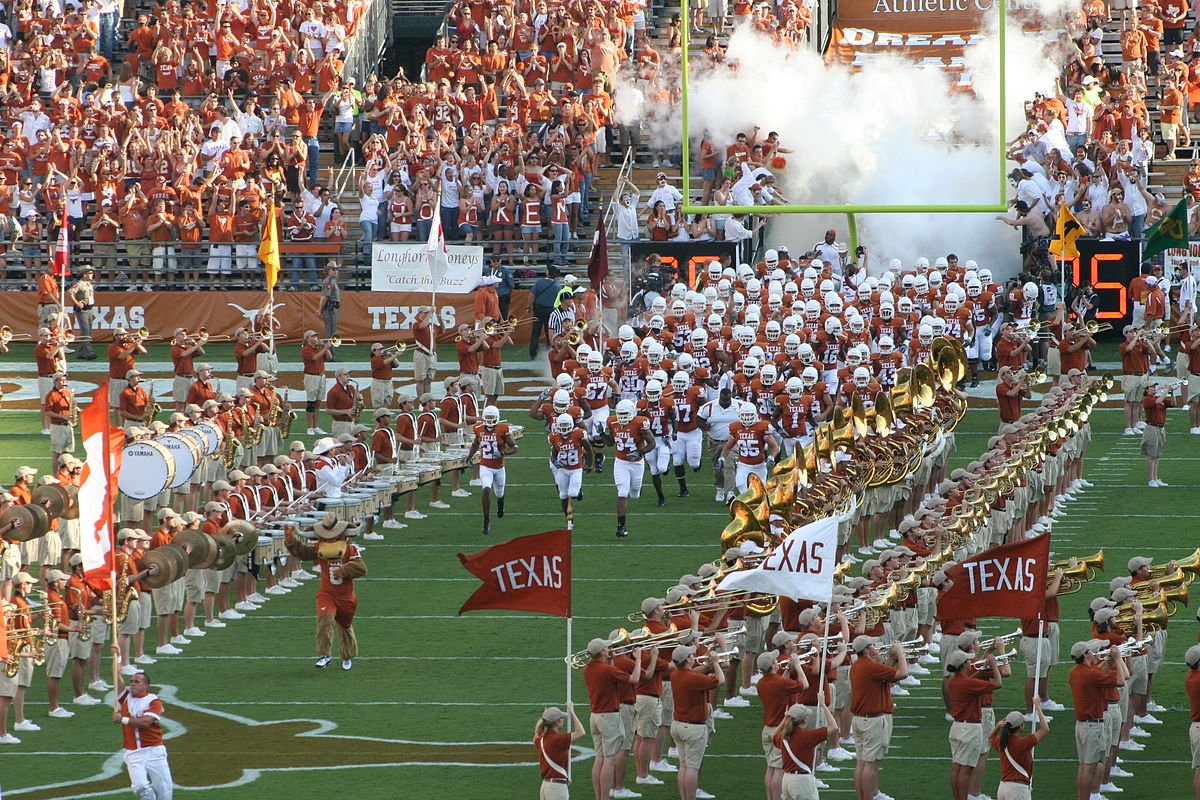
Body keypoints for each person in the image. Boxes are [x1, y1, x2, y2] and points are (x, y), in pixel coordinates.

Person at [284, 513, 367, 670]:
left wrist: (344, 569)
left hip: (346, 596)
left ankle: (347, 655)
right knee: (325, 620)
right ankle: (325, 655)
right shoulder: (320, 548)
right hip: (326, 593)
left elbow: (362, 568)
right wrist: (291, 542)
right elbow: (304, 553)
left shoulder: (350, 549)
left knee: (345, 625)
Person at [583, 637, 644, 800]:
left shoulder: (588, 669)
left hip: (595, 716)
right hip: (609, 717)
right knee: (609, 761)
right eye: (606, 648)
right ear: (602, 651)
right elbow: (634, 679)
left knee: (599, 759)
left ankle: (599, 797)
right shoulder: (606, 670)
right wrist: (638, 659)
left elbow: (608, 680)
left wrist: (609, 662)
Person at [849, 635, 908, 800]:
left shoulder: (858, 665)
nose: (876, 647)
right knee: (870, 763)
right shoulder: (870, 667)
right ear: (867, 650)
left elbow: (883, 679)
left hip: (861, 719)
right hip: (873, 721)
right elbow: (903, 673)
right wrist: (900, 652)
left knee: (862, 762)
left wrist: (890, 658)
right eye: (873, 645)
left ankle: (869, 794)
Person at [1068, 639, 1128, 800]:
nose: (1094, 653)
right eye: (1090, 652)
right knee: (1090, 768)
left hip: (1082, 726)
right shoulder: (1091, 674)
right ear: (1086, 655)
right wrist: (1117, 659)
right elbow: (1122, 681)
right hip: (1093, 727)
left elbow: (1097, 674)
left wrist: (1107, 662)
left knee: (1083, 767)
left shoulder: (1075, 671)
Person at [669, 644, 724, 800]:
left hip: (678, 725)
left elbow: (691, 673)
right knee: (692, 768)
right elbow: (720, 680)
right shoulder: (693, 678)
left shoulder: (675, 674)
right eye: (691, 656)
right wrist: (715, 662)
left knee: (684, 766)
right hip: (693, 728)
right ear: (687, 660)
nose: (693, 657)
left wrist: (706, 665)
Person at [113, 668, 174, 800]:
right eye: (131, 681)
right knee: (140, 788)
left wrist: (122, 719)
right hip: (134, 753)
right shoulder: (125, 697)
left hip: (154, 751)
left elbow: (146, 722)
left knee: (165, 792)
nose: (132, 684)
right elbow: (116, 677)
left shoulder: (154, 702)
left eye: (137, 682)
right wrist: (116, 658)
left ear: (146, 686)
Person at [602, 399, 656, 538]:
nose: (622, 417)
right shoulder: (612, 422)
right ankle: (621, 526)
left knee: (635, 494)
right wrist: (601, 434)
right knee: (622, 492)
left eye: (625, 413)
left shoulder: (639, 423)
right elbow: (610, 443)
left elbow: (652, 443)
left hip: (637, 462)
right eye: (620, 413)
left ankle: (636, 489)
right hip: (621, 462)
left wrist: (640, 452)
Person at [468, 405, 518, 534]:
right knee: (486, 490)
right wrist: (469, 457)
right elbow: (475, 444)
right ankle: (486, 520)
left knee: (499, 493)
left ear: (497, 418)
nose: (490, 421)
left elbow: (514, 447)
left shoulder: (503, 429)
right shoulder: (478, 429)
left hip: (499, 467)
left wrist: (503, 453)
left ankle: (500, 504)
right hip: (485, 466)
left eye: (492, 418)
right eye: (488, 418)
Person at [775, 700, 839, 800]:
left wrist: (785, 719)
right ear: (804, 720)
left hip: (786, 780)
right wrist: (823, 706)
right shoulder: (807, 736)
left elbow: (773, 736)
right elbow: (834, 727)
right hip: (802, 782)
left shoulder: (784, 737)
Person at [989, 707, 1049, 800]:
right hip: (1017, 790)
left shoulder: (1001, 742)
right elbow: (1045, 729)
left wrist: (997, 726)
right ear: (1020, 726)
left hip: (1002, 788)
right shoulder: (1022, 743)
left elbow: (990, 738)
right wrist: (1038, 707)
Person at [535, 704, 586, 800]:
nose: (563, 720)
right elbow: (581, 732)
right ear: (557, 721)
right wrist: (572, 711)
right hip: (556, 788)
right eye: (561, 718)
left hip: (545, 787)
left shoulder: (541, 740)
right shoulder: (558, 739)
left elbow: (536, 737)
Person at [698, 386, 739, 503]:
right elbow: (698, 419)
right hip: (715, 441)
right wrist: (705, 427)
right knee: (718, 467)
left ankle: (729, 493)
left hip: (732, 441)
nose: (725, 403)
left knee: (729, 464)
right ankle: (720, 488)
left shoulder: (739, 406)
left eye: (727, 401)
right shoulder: (709, 407)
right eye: (723, 401)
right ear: (719, 398)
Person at [301, 330, 334, 435]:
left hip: (321, 376)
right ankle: (309, 427)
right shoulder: (306, 350)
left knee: (318, 403)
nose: (315, 338)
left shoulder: (318, 348)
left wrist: (326, 347)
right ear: (307, 339)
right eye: (313, 336)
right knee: (311, 403)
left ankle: (316, 426)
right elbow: (314, 358)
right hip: (311, 377)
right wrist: (324, 348)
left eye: (316, 336)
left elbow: (329, 358)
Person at [1141, 382, 1174, 486]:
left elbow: (1173, 403)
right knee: (1151, 455)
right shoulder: (1147, 400)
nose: (1155, 388)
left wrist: (1172, 392)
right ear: (1147, 389)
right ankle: (1151, 479)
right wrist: (1166, 390)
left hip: (1160, 428)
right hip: (1151, 428)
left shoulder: (1159, 398)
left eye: (1155, 386)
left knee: (1157, 455)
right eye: (1152, 387)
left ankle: (1155, 478)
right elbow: (1157, 401)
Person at [530, 267, 565, 358]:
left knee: (536, 332)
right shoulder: (557, 285)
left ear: (547, 272)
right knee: (549, 331)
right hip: (551, 310)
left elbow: (531, 295)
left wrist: (528, 307)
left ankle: (533, 353)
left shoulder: (539, 282)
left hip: (539, 309)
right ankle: (551, 350)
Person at [412, 307, 438, 398]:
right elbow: (422, 326)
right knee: (420, 380)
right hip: (421, 353)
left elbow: (443, 330)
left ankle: (428, 400)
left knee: (428, 380)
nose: (428, 314)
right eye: (425, 313)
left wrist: (440, 319)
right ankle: (421, 402)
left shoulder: (431, 325)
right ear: (420, 313)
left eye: (428, 313)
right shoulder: (416, 324)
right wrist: (431, 312)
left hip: (431, 355)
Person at [319, 262, 342, 341]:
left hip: (331, 308)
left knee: (332, 331)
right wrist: (320, 310)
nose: (335, 271)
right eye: (333, 269)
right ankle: (329, 351)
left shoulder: (331, 281)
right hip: (330, 308)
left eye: (336, 269)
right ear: (328, 271)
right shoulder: (329, 281)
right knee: (331, 332)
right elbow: (325, 297)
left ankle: (330, 351)